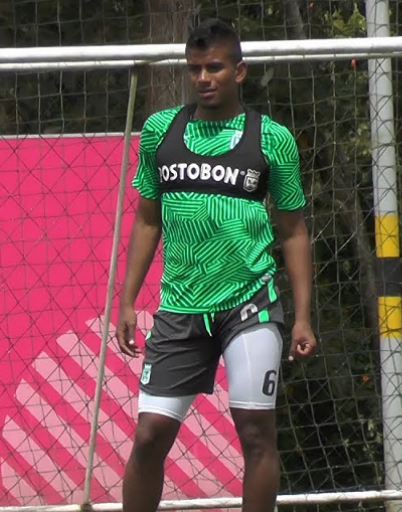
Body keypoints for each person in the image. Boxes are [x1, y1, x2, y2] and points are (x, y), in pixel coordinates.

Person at [115, 17, 317, 512]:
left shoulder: (271, 139)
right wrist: (125, 300)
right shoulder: (162, 131)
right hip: (181, 309)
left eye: (215, 68)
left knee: (255, 435)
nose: (203, 78)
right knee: (148, 437)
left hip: (248, 305)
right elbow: (146, 220)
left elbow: (292, 230)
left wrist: (304, 316)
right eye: (195, 69)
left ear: (240, 72)